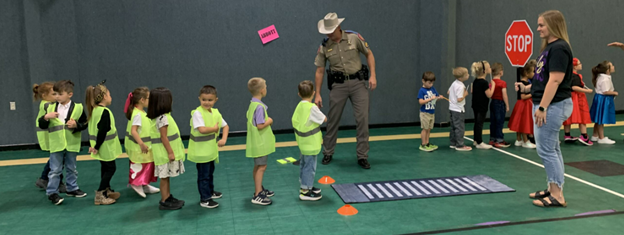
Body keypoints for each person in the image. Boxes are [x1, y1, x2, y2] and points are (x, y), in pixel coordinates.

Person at [517, 10, 573, 207]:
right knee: (552, 148)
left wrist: (542, 107)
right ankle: (552, 187)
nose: (538, 28)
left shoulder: (558, 48)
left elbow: (556, 80)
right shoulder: (549, 48)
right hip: (550, 103)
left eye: (541, 25)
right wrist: (528, 88)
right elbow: (544, 79)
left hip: (553, 105)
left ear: (553, 25)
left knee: (547, 150)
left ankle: (557, 195)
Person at [314, 12, 377, 169]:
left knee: (362, 120)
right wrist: (317, 93)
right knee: (333, 119)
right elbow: (320, 71)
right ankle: (328, 152)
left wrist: (373, 75)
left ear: (338, 27)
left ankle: (362, 156)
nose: (328, 34)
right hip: (338, 85)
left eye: (331, 30)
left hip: (358, 83)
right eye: (326, 31)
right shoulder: (324, 46)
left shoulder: (354, 38)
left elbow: (369, 54)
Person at [38, 80, 89, 205]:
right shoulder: (49, 108)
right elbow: (42, 125)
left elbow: (84, 124)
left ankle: (72, 188)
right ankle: (52, 192)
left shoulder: (78, 107)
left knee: (72, 168)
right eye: (55, 94)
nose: (57, 97)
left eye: (60, 94)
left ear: (69, 94)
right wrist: (46, 117)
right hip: (56, 144)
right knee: (55, 170)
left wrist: (76, 125)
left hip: (72, 143)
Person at [188, 85, 229, 209]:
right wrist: (215, 129)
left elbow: (226, 126)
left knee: (210, 173)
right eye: (204, 99)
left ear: (215, 100)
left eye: (210, 100)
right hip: (201, 153)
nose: (206, 102)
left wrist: (224, 139)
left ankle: (210, 192)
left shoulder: (216, 112)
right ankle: (205, 199)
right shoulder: (197, 113)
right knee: (203, 176)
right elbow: (202, 129)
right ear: (199, 98)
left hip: (211, 151)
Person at [147, 87, 186, 210]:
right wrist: (170, 152)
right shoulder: (163, 118)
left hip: (162, 154)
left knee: (166, 176)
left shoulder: (161, 117)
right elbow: (164, 137)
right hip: (164, 155)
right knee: (164, 177)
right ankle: (164, 200)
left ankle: (168, 196)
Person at [86, 82, 123, 205]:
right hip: (104, 147)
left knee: (105, 168)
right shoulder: (104, 112)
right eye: (109, 94)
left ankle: (107, 189)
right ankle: (101, 193)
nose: (111, 97)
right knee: (111, 168)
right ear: (104, 97)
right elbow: (103, 131)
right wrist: (96, 147)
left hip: (100, 146)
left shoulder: (94, 110)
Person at [124, 87, 160, 198]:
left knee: (147, 165)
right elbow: (133, 131)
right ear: (142, 100)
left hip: (146, 146)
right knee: (139, 165)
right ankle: (136, 183)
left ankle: (145, 183)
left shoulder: (141, 112)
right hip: (139, 147)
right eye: (149, 98)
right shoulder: (138, 114)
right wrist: (141, 144)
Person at [292, 80, 325, 200]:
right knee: (310, 167)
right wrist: (318, 110)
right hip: (311, 144)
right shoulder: (312, 108)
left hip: (303, 144)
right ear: (313, 93)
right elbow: (324, 119)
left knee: (304, 164)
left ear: (299, 94)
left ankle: (306, 186)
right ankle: (305, 191)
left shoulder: (299, 106)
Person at [246, 77, 276, 206]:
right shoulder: (259, 107)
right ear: (263, 90)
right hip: (260, 144)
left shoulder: (253, 104)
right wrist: (270, 120)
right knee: (262, 167)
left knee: (258, 166)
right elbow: (260, 125)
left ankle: (259, 189)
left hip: (256, 143)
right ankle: (257, 194)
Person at [33, 82, 67, 192]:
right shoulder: (47, 105)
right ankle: (55, 181)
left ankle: (44, 178)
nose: (56, 96)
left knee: (56, 158)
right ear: (44, 95)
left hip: (51, 136)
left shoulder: (47, 104)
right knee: (57, 159)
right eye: (53, 94)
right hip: (50, 137)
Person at [562, 58, 593, 145]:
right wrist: (587, 91)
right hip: (577, 98)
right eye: (579, 63)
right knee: (583, 116)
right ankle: (584, 136)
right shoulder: (575, 76)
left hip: (568, 97)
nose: (581, 64)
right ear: (574, 66)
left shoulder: (567, 75)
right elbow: (574, 87)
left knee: (568, 117)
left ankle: (567, 135)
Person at [508, 60, 537, 148]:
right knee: (524, 122)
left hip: (522, 104)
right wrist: (533, 93)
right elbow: (523, 96)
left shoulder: (522, 82)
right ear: (526, 73)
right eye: (532, 72)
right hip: (524, 104)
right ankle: (525, 140)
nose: (534, 73)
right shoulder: (523, 83)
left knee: (521, 121)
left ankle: (519, 139)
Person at [590, 61, 618, 144]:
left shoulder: (603, 77)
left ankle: (595, 135)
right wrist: (614, 93)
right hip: (603, 99)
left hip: (600, 99)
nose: (613, 66)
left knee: (598, 118)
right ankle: (601, 138)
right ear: (607, 70)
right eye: (611, 65)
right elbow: (605, 91)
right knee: (601, 119)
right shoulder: (605, 79)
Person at [471, 61, 495, 149]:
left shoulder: (475, 81)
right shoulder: (484, 83)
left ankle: (475, 140)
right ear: (484, 71)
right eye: (489, 68)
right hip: (482, 106)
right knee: (479, 123)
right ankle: (480, 142)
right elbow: (489, 95)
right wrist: (493, 86)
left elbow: (472, 91)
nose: (490, 69)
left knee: (476, 122)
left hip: (475, 104)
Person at [418, 72, 444, 152]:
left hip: (431, 112)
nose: (431, 85)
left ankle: (427, 143)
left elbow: (435, 97)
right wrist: (430, 99)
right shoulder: (422, 90)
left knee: (429, 129)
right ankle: (423, 144)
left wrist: (439, 97)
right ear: (423, 81)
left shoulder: (433, 89)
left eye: (432, 83)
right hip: (424, 113)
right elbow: (420, 101)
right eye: (429, 83)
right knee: (424, 129)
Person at [448, 67, 472, 151]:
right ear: (461, 78)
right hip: (458, 109)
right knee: (459, 127)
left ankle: (453, 143)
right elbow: (459, 99)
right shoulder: (461, 86)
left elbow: (448, 92)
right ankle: (460, 145)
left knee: (453, 127)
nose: (468, 75)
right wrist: (465, 94)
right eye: (467, 74)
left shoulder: (454, 83)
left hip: (452, 108)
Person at [488, 63, 510, 148]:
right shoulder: (502, 83)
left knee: (493, 122)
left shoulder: (491, 82)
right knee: (499, 122)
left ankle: (492, 139)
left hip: (492, 102)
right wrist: (507, 105)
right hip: (500, 103)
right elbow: (504, 95)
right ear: (501, 72)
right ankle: (499, 140)